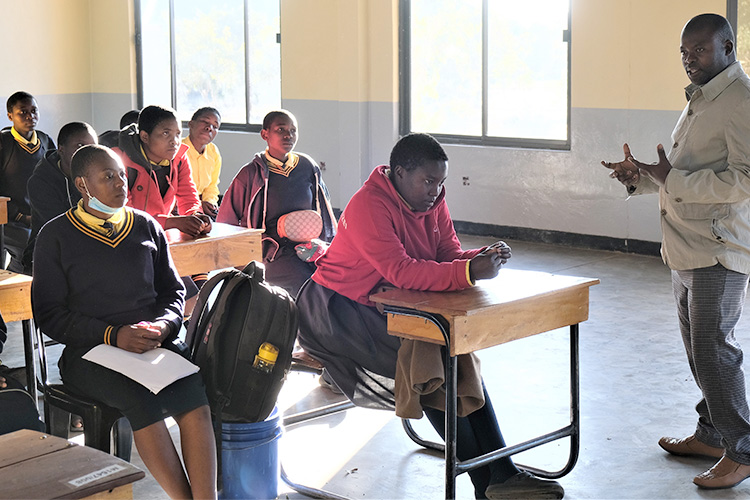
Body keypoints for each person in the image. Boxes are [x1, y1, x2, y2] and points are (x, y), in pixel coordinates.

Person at [296, 133, 563, 499]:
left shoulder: (429, 199)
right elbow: (402, 271)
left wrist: (479, 257)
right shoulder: (368, 206)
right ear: (399, 173)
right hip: (338, 310)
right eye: (428, 182)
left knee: (455, 353)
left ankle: (500, 473)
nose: (436, 191)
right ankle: (488, 479)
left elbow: (445, 251)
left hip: (392, 302)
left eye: (441, 183)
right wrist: (469, 272)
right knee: (427, 361)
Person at [602, 13, 750, 490]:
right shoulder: (701, 100)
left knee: (712, 351)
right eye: (684, 52)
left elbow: (745, 181)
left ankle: (743, 449)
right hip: (685, 246)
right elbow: (680, 176)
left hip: (718, 249)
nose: (689, 59)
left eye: (700, 50)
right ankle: (712, 433)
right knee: (697, 350)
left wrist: (671, 179)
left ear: (728, 46)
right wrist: (641, 179)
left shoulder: (741, 101)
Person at [32, 144, 216, 498]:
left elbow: (173, 293)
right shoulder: (55, 236)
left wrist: (163, 325)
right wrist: (113, 335)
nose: (121, 183)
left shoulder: (145, 225)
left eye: (121, 175)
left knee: (193, 393)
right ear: (83, 185)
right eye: (108, 177)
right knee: (140, 399)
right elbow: (50, 315)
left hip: (151, 344)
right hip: (91, 352)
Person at [217, 109, 336, 297]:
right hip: (272, 254)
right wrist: (241, 262)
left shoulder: (308, 167)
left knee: (335, 282)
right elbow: (226, 222)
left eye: (293, 130)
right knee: (306, 288)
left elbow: (325, 213)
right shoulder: (251, 174)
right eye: (281, 130)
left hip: (309, 249)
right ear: (265, 134)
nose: (288, 135)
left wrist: (330, 248)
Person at [114, 105, 211, 237]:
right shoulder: (119, 160)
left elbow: (188, 197)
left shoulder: (179, 158)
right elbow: (125, 215)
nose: (175, 142)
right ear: (145, 137)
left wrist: (196, 216)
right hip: (125, 235)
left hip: (160, 233)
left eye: (178, 134)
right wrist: (170, 223)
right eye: (166, 134)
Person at [23, 122, 98, 274]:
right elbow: (61, 228)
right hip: (47, 258)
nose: (87, 153)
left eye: (93, 147)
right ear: (61, 150)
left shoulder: (98, 176)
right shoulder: (40, 182)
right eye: (79, 146)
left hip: (86, 254)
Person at [0, 91, 55, 273]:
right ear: (10, 116)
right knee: (29, 251)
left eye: (34, 111)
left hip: (38, 216)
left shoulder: (45, 141)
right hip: (9, 220)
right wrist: (19, 216)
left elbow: (53, 178)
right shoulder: (4, 143)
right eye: (22, 112)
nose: (30, 116)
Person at [183, 107, 222, 219]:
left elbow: (212, 186)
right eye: (205, 122)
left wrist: (209, 202)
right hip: (181, 207)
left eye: (215, 126)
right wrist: (198, 204)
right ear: (191, 124)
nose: (209, 128)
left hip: (202, 208)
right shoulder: (177, 150)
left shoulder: (213, 152)